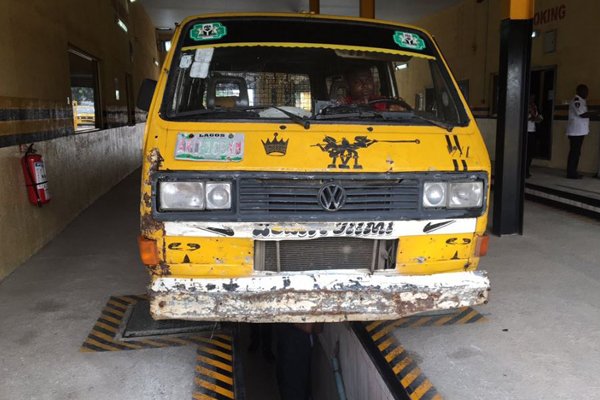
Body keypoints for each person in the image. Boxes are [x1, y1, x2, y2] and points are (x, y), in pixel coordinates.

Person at [342, 67, 410, 111]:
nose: (365, 85)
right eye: (357, 82)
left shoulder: (384, 102)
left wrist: (398, 110)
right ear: (348, 86)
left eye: (368, 80)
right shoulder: (342, 105)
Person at [566, 84, 596, 179]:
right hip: (575, 132)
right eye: (585, 91)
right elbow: (582, 114)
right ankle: (571, 173)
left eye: (587, 91)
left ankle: (573, 171)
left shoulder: (582, 101)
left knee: (577, 152)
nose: (587, 93)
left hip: (580, 131)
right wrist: (596, 113)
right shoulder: (576, 101)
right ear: (579, 91)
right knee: (574, 152)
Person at [526, 95, 543, 178]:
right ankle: (523, 171)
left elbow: (539, 117)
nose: (532, 99)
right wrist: (532, 117)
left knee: (530, 153)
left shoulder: (535, 107)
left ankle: (526, 170)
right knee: (524, 152)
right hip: (525, 131)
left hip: (532, 130)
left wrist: (537, 118)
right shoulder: (524, 105)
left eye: (533, 98)